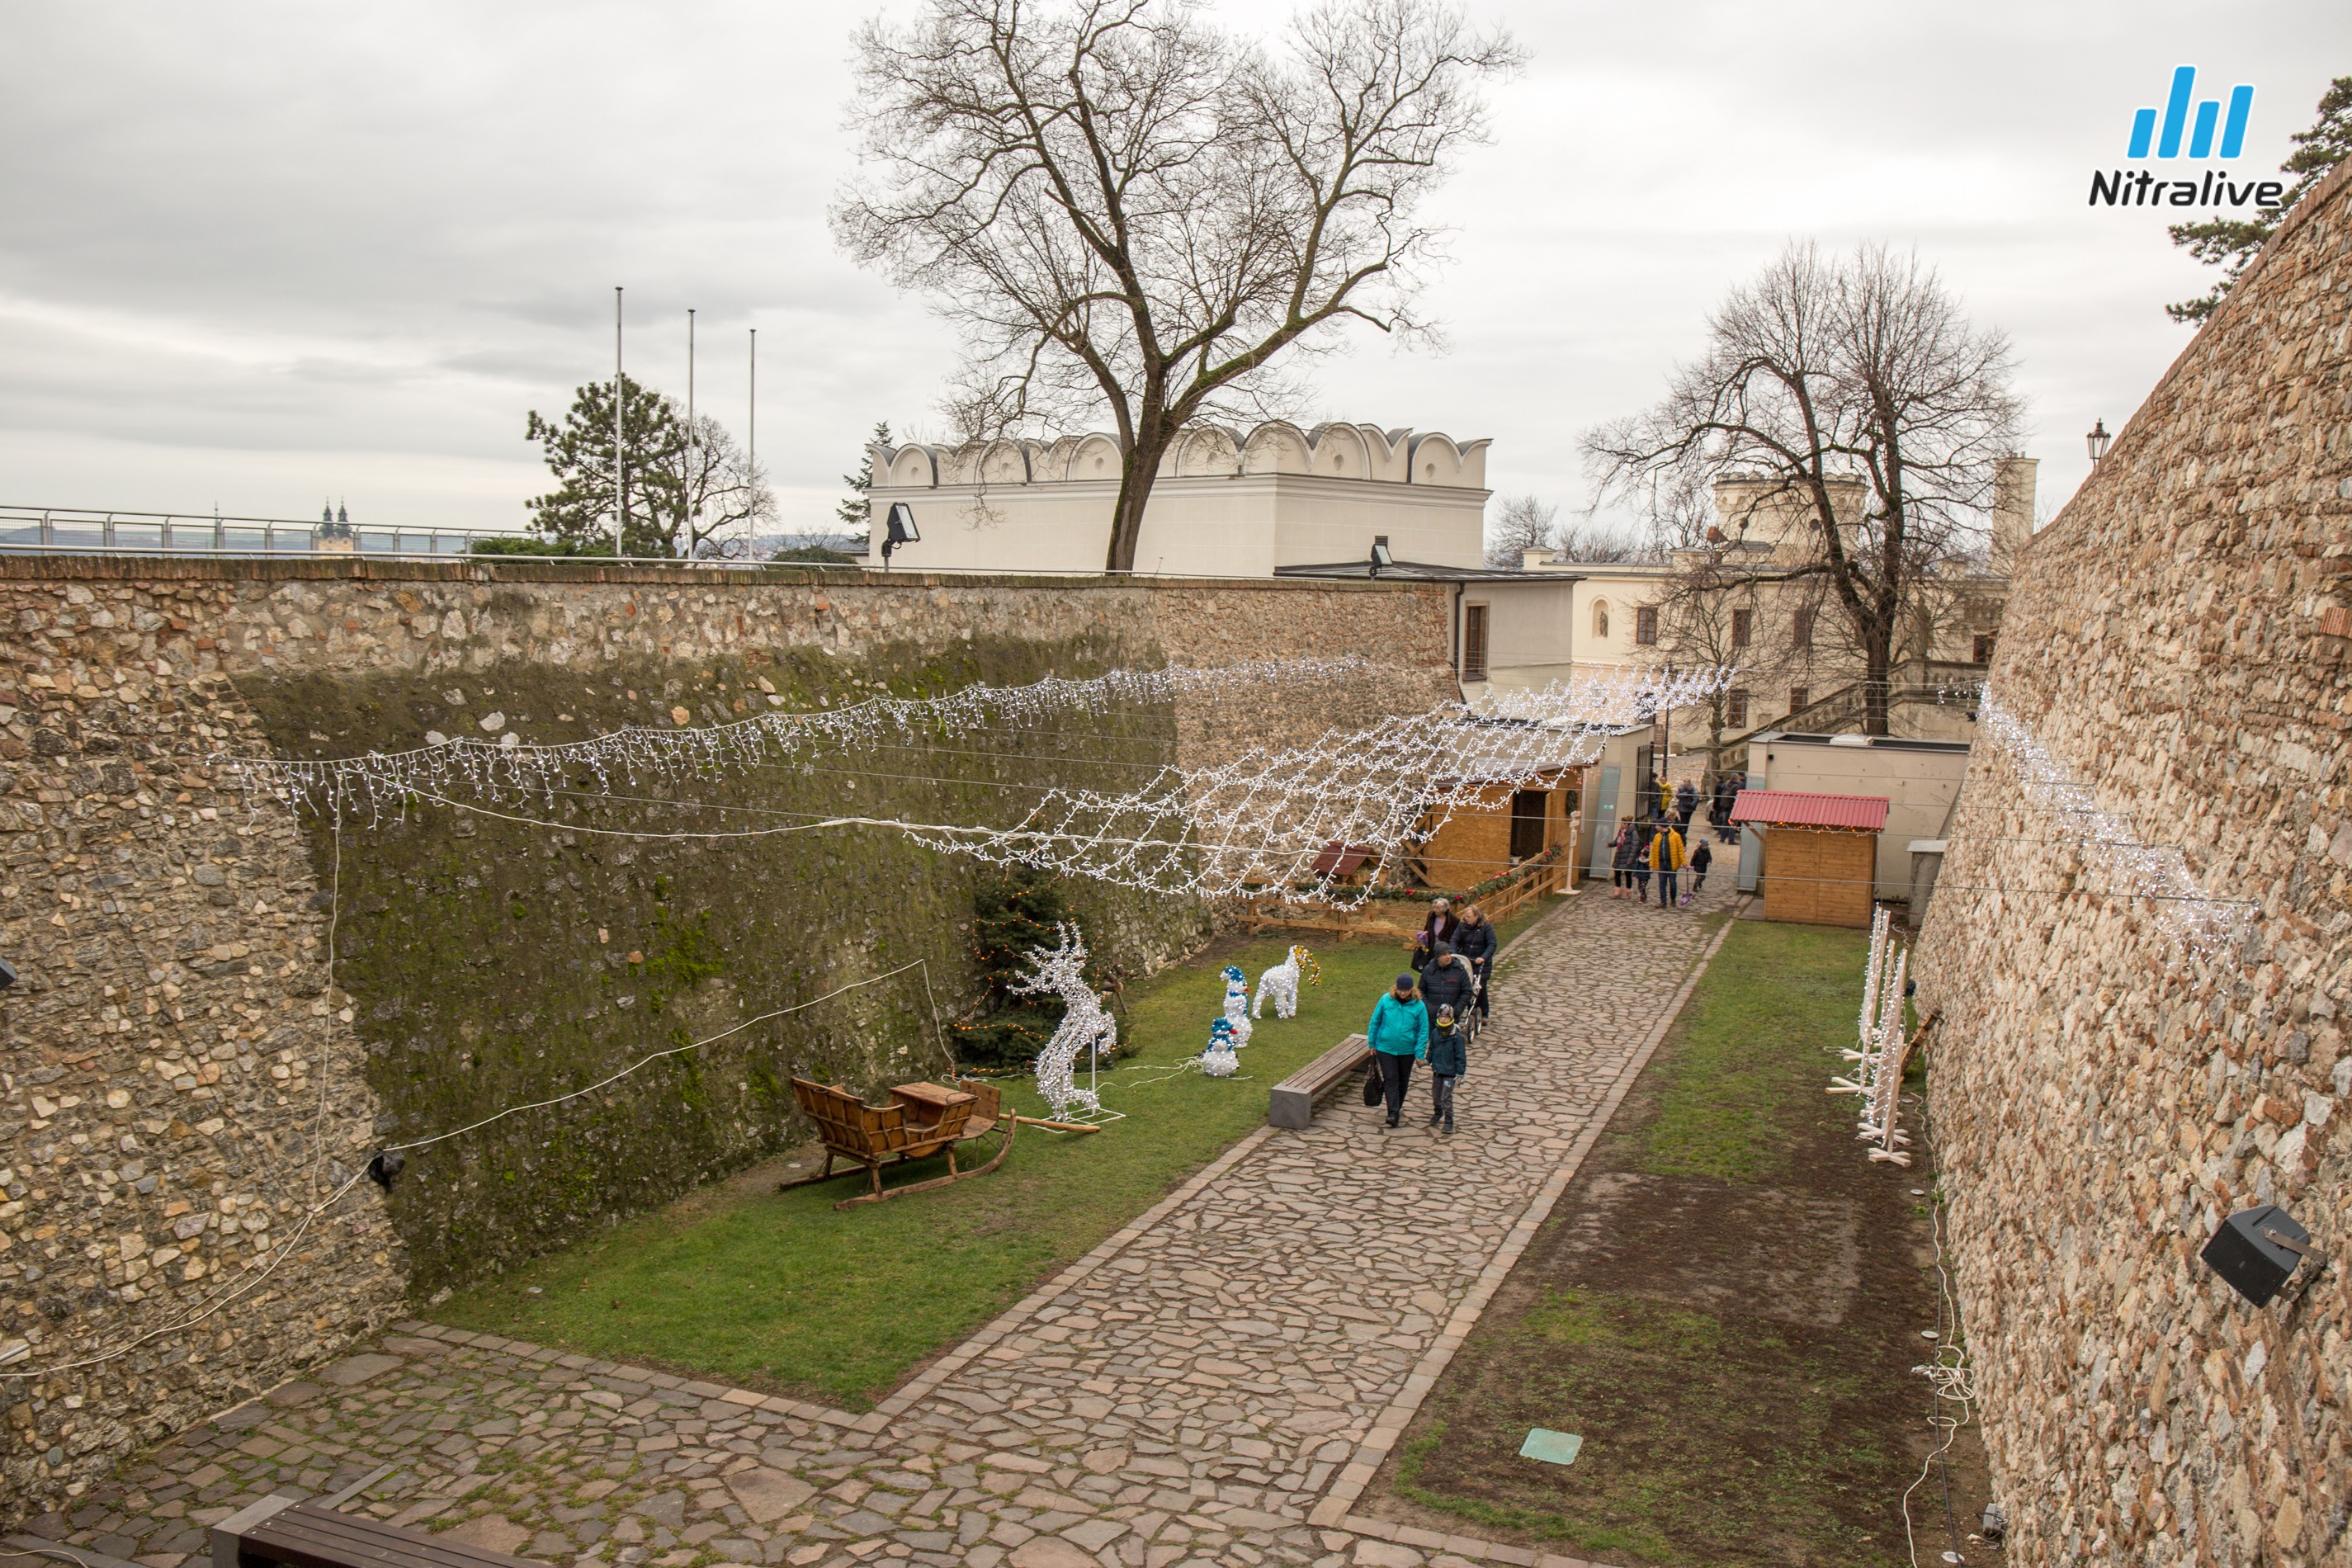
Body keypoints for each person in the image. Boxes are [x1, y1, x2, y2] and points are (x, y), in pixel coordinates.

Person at [1366, 973, 1429, 1129]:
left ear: (1411, 990)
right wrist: (1372, 1043)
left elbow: (1423, 1030)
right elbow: (1375, 1021)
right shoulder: (1386, 1000)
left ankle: (1396, 1107)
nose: (1403, 993)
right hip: (1385, 1048)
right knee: (1391, 1078)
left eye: (1406, 990)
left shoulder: (1419, 1006)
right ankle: (1393, 1112)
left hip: (1407, 1050)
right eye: (1401, 990)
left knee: (1403, 1080)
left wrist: (1419, 1053)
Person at [1424, 1002, 1466, 1134]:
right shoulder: (1435, 1032)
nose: (1443, 1019)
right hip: (1437, 1071)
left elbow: (1460, 1056)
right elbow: (1432, 1049)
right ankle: (1438, 1112)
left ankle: (1449, 1120)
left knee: (1445, 1097)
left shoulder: (1456, 1037)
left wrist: (1460, 1073)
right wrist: (1427, 1060)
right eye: (1441, 1016)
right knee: (1436, 1096)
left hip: (1449, 1072)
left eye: (1446, 1017)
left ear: (1451, 1018)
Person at [1452, 903, 1495, 1020]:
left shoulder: (1486, 927)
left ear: (1476, 916)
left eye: (1469, 917)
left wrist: (1483, 957)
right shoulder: (1462, 926)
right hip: (1466, 961)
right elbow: (1454, 940)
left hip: (1481, 963)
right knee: (1465, 986)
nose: (1466, 919)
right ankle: (1469, 1009)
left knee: (1480, 988)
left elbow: (1492, 944)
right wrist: (1453, 953)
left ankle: (1484, 1012)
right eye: (1465, 916)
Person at [1420, 941, 1476, 1027]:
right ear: (1437, 957)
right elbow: (1420, 992)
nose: (1448, 957)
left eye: (1449, 954)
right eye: (1444, 955)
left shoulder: (1460, 970)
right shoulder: (1428, 971)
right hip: (1432, 1017)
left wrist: (1456, 1010)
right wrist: (1429, 1008)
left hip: (1452, 1017)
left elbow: (1467, 992)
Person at [1410, 897, 1459, 971]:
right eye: (1434, 907)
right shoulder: (1431, 916)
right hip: (1432, 948)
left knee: (1443, 968)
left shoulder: (1453, 920)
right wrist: (1426, 932)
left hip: (1444, 949)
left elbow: (1456, 935)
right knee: (1431, 968)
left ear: (1444, 909)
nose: (1435, 910)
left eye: (1438, 908)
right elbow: (1427, 927)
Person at [1650, 819, 1686, 909]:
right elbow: (1654, 851)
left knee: (1673, 883)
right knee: (1662, 882)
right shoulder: (1657, 837)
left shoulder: (1676, 836)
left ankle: (1673, 899)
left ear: (1662, 826)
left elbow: (1680, 850)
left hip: (1671, 863)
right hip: (1661, 863)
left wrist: (1684, 863)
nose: (1656, 827)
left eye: (1657, 825)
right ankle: (1663, 902)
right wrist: (1652, 864)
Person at [1609, 820, 1641, 899]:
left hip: (1627, 856)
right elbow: (1617, 841)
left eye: (1623, 823)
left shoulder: (1633, 833)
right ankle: (1617, 890)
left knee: (1628, 874)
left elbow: (1635, 845)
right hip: (1620, 855)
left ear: (1627, 824)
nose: (1621, 824)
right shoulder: (1621, 831)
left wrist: (1631, 858)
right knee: (1617, 873)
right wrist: (1610, 844)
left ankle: (1628, 892)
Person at [1688, 835, 1713, 901]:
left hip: (1704, 866)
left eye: (1707, 846)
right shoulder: (1697, 851)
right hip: (1698, 866)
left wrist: (1709, 862)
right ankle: (1695, 887)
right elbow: (1693, 858)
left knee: (1703, 877)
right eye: (1705, 845)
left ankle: (1700, 883)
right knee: (1698, 877)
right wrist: (1692, 865)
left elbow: (1709, 858)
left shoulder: (1708, 851)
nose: (1706, 847)